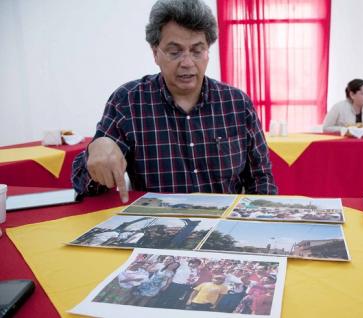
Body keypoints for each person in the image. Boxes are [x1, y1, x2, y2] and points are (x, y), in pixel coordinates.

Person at [71, 0, 277, 203]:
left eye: (197, 51)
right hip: (157, 230)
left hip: (224, 229)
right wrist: (95, 150)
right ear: (155, 53)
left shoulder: (237, 104)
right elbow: (84, 186)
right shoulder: (128, 103)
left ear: (208, 52)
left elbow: (261, 180)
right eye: (174, 52)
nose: (187, 63)